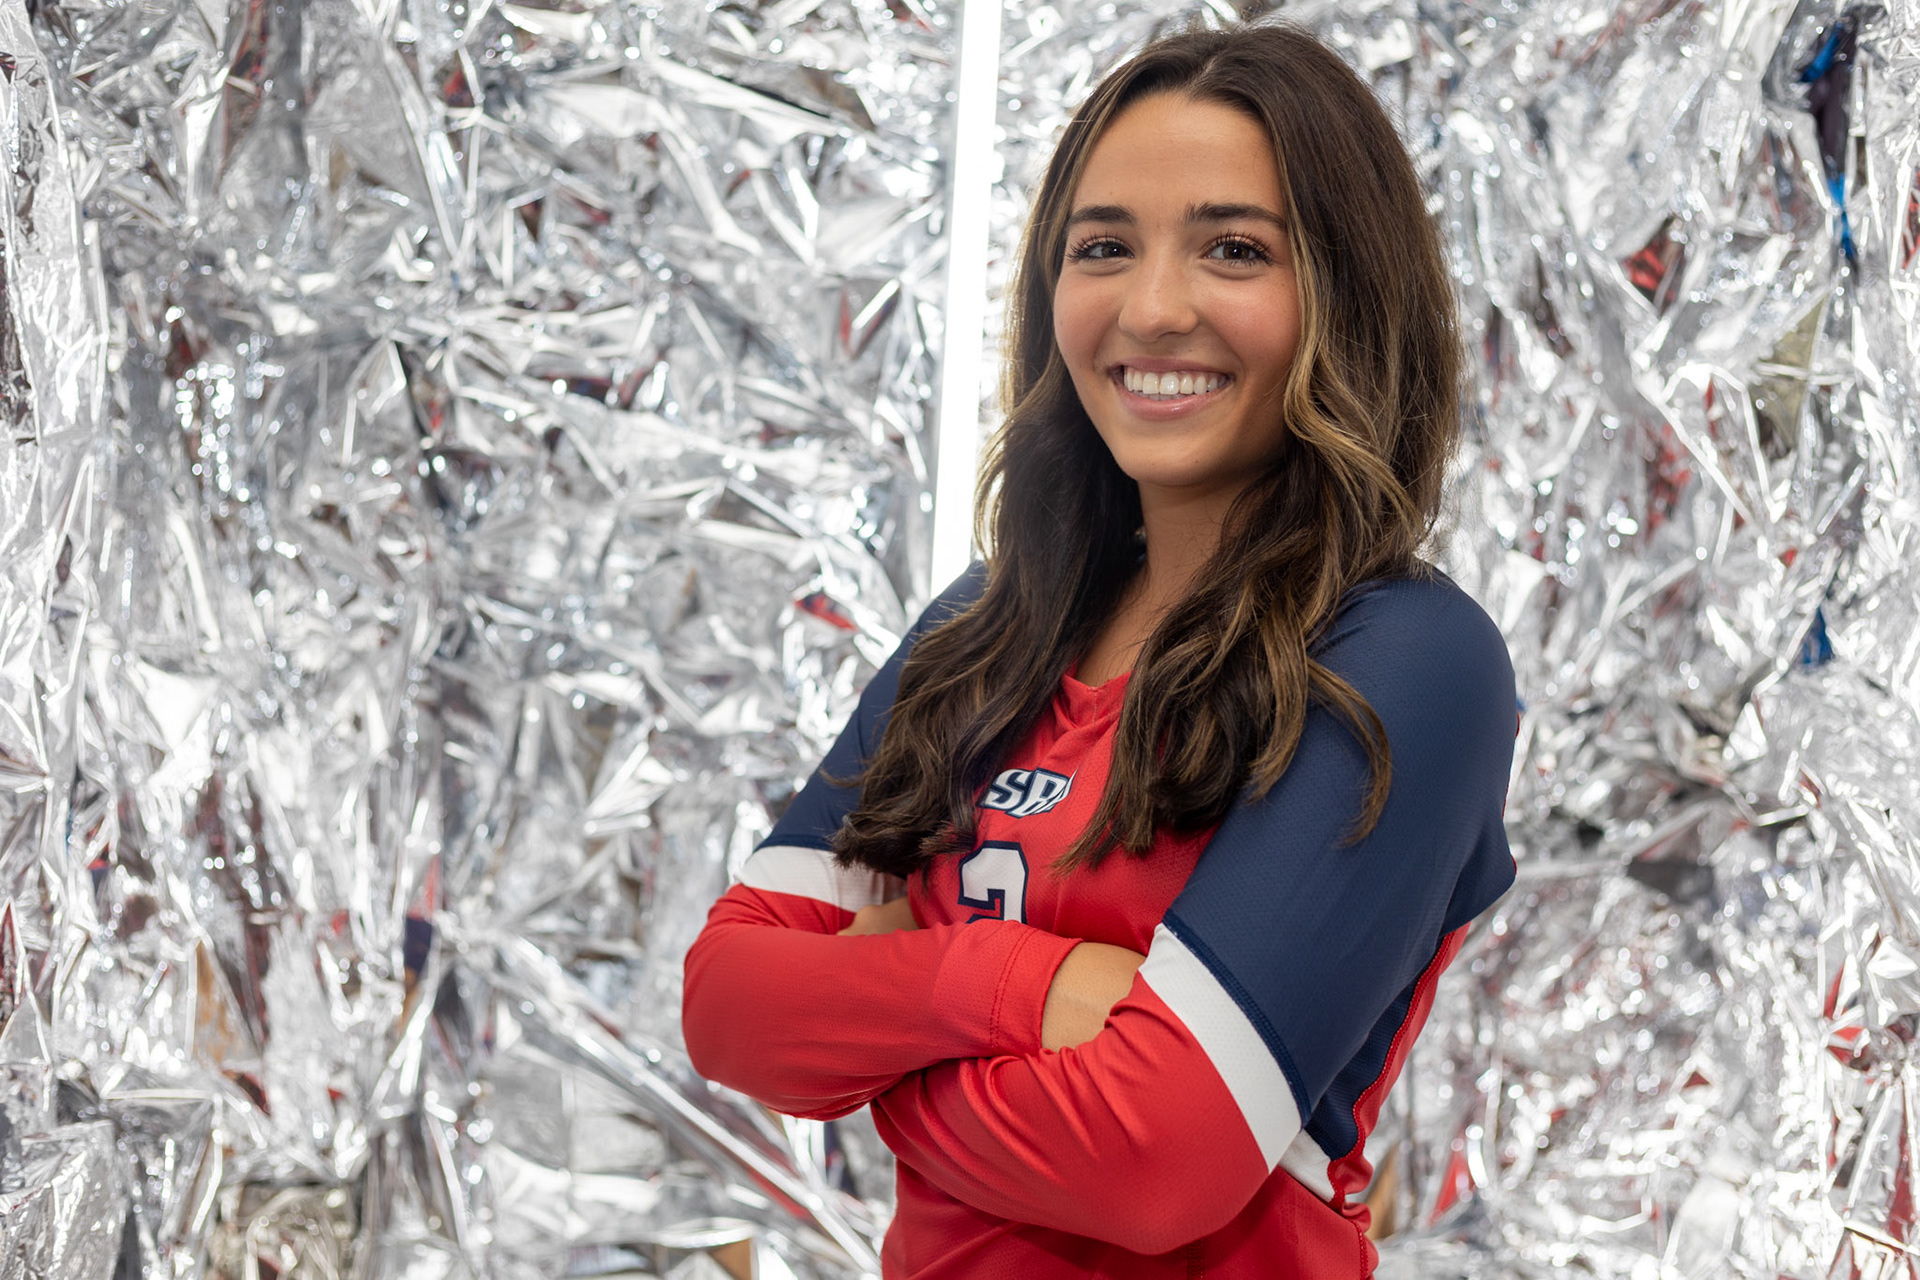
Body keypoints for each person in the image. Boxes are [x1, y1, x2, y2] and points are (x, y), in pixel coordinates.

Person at [682, 23, 1517, 1278]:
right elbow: (731, 1002)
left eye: (1235, 249)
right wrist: (1016, 983)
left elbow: (1150, 1157)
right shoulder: (980, 635)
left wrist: (872, 1049)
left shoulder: (1402, 657)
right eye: (1103, 248)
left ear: (1344, 291)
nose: (1153, 308)